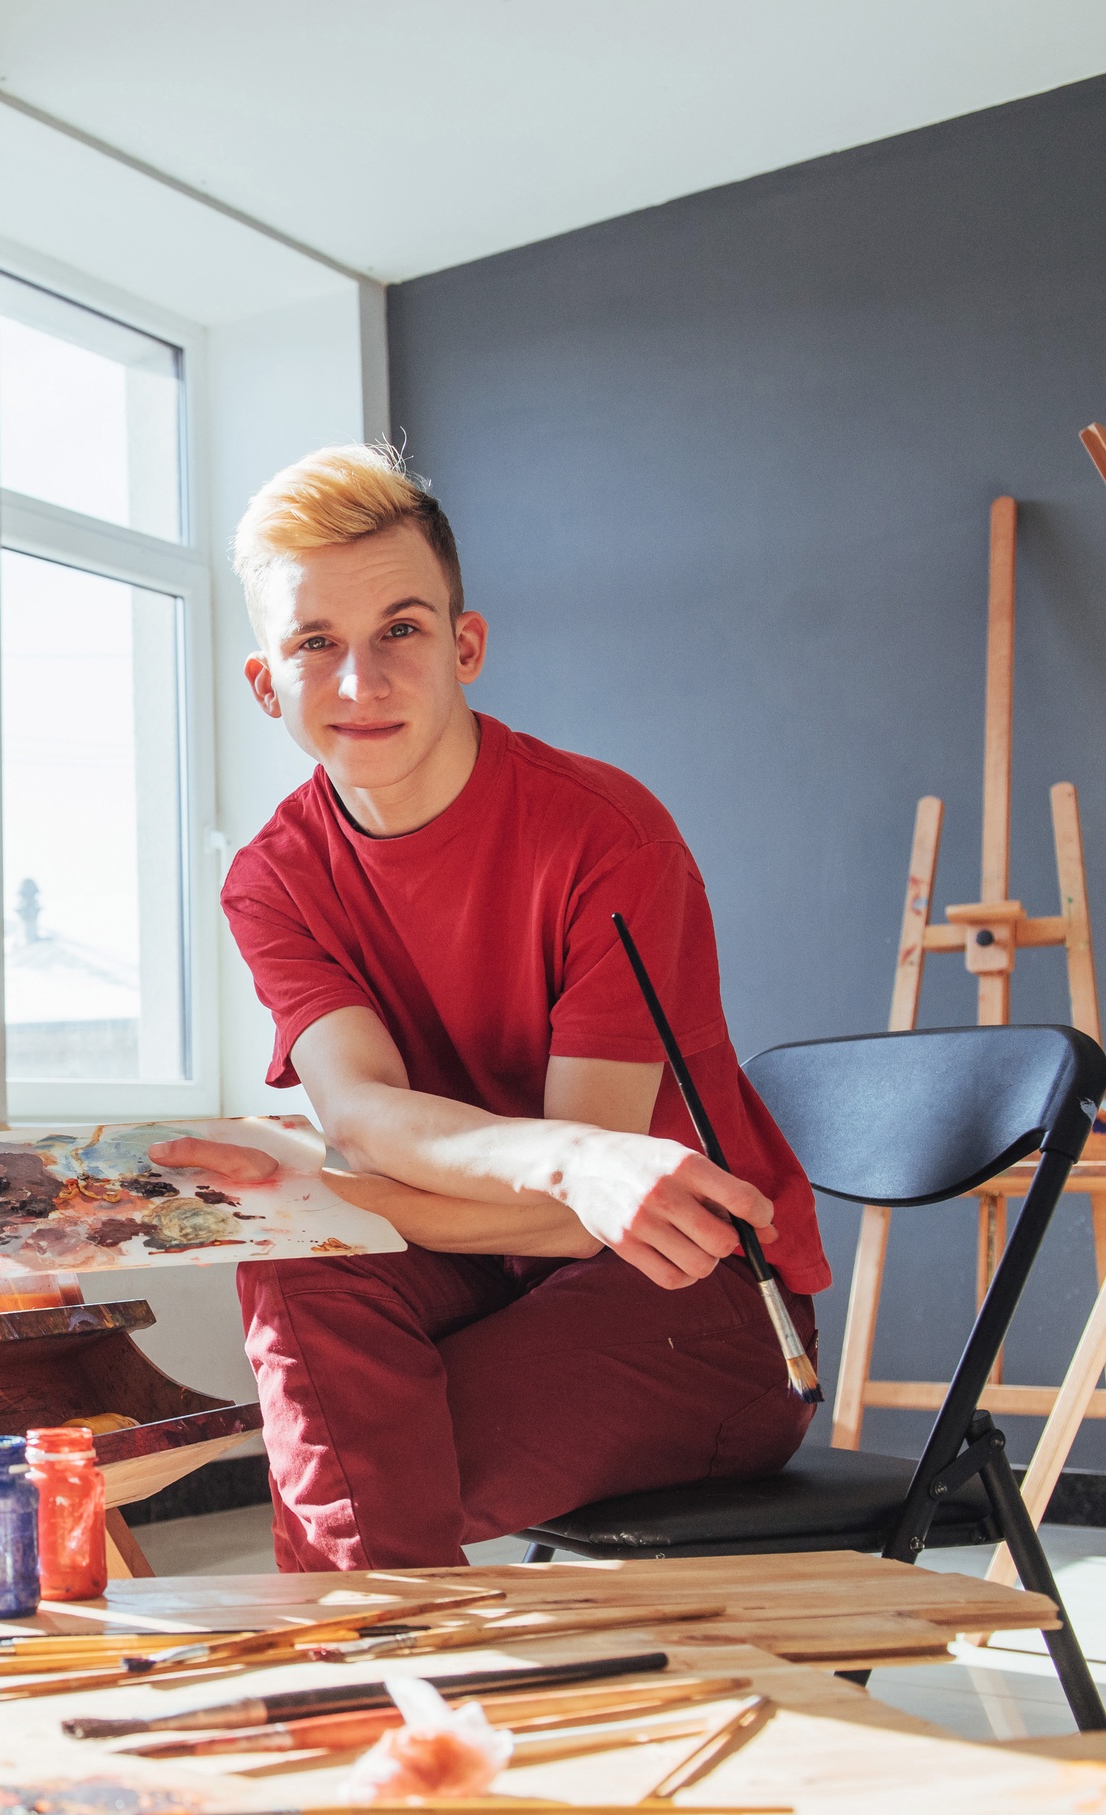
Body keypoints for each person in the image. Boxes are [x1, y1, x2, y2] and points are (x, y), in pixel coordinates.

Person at [220, 443, 829, 1572]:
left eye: (399, 629)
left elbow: (599, 1216)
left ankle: (378, 1704)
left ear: (465, 645)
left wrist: (353, 1195)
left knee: (351, 1471)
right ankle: (402, 1701)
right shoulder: (271, 877)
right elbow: (363, 1117)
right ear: (266, 682)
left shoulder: (606, 836)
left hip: (692, 1291)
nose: (360, 681)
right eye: (314, 642)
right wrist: (531, 1169)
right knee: (297, 1271)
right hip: (485, 1275)